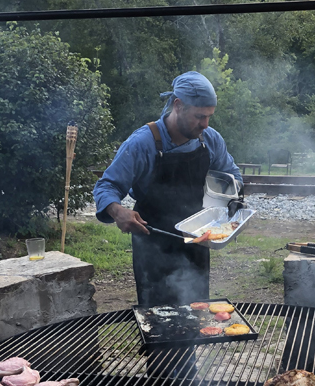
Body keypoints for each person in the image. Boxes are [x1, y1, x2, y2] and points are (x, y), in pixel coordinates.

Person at [93, 71, 242, 307]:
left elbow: (232, 174)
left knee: (197, 313)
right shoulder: (143, 143)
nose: (205, 124)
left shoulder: (210, 139)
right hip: (153, 247)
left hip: (196, 242)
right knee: (157, 318)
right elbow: (106, 185)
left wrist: (234, 199)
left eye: (209, 117)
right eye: (199, 116)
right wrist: (117, 211)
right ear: (178, 106)